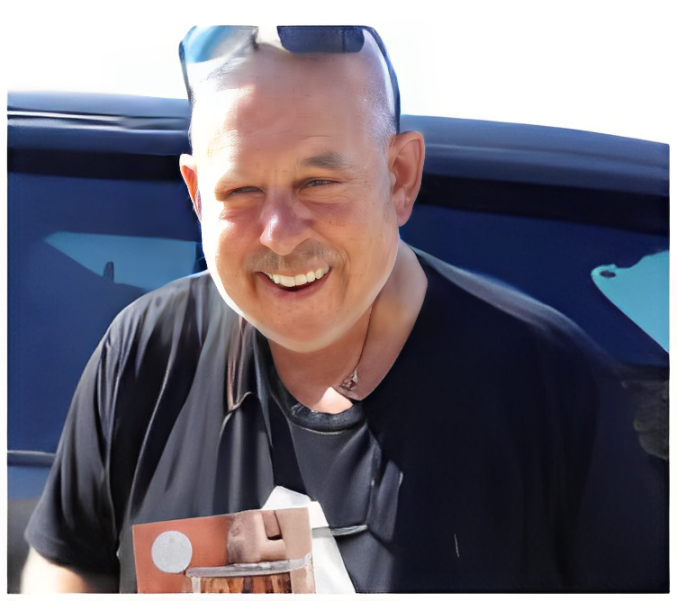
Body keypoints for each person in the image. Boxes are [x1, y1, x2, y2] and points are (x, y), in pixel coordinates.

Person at [22, 26, 667, 593]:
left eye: (318, 182)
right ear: (196, 194)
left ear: (400, 176)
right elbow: (69, 565)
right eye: (240, 190)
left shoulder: (546, 385)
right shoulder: (145, 354)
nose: (280, 234)